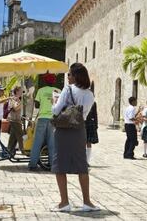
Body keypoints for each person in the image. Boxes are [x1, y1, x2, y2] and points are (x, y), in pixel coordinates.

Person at [51, 63, 99, 212]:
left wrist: (54, 102)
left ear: (76, 76)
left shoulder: (68, 89)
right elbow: (84, 114)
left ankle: (64, 202)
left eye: (69, 74)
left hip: (63, 130)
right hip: (79, 130)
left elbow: (56, 109)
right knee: (81, 165)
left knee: (60, 165)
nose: (68, 77)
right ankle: (87, 202)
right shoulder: (90, 94)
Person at [28, 73, 59, 170]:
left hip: (42, 118)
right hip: (54, 119)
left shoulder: (41, 90)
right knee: (52, 142)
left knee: (37, 142)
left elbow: (37, 105)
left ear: (45, 81)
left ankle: (33, 165)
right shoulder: (58, 91)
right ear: (54, 81)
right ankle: (52, 165)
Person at [7, 87, 24, 155]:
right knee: (20, 136)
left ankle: (9, 150)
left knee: (13, 137)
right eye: (21, 91)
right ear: (16, 91)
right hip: (14, 120)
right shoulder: (13, 99)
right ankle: (23, 149)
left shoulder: (17, 99)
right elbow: (15, 108)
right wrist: (22, 103)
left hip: (16, 119)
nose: (22, 93)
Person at [85, 98, 99, 165]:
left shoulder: (93, 103)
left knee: (88, 142)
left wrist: (96, 125)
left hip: (89, 123)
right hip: (83, 123)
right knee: (83, 143)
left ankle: (87, 161)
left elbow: (95, 114)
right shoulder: (81, 100)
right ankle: (83, 160)